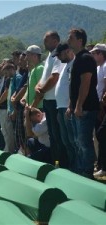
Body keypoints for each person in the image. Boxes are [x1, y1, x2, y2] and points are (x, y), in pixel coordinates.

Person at [67, 28, 100, 179]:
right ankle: (81, 170)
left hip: (86, 108)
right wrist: (71, 105)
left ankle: (87, 172)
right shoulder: (78, 58)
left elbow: (85, 83)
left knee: (84, 142)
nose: (68, 40)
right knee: (78, 141)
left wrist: (79, 105)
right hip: (78, 108)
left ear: (80, 40)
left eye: (71, 38)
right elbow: (73, 86)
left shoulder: (86, 58)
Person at [34, 31, 67, 167]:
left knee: (58, 135)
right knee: (52, 135)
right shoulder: (49, 56)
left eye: (46, 40)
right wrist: (37, 86)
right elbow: (44, 77)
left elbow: (54, 77)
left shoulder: (58, 55)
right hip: (47, 100)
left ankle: (63, 163)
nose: (44, 43)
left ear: (55, 40)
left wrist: (41, 89)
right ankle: (55, 162)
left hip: (54, 100)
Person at [53, 42, 78, 171]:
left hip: (68, 107)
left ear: (68, 51)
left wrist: (70, 105)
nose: (58, 58)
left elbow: (73, 87)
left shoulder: (74, 63)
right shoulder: (65, 65)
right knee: (65, 140)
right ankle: (71, 164)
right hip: (60, 107)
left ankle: (78, 165)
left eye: (60, 54)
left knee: (73, 140)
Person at [90, 43, 106, 177]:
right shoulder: (98, 67)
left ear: (101, 54)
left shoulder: (105, 66)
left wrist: (102, 104)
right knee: (98, 136)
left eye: (94, 53)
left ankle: (103, 165)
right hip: (98, 106)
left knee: (101, 134)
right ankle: (100, 164)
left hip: (103, 106)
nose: (93, 55)